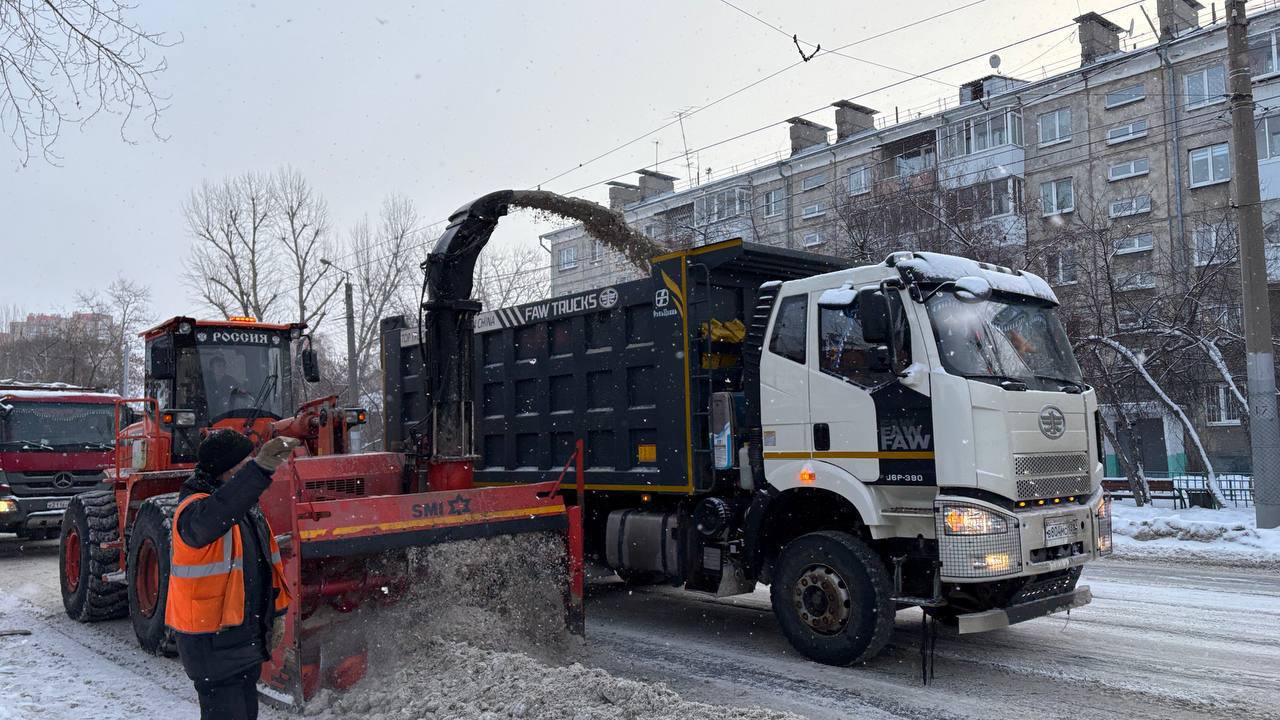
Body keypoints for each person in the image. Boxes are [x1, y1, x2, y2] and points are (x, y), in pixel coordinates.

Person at [165, 429, 299, 720]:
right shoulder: (194, 514)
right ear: (226, 470)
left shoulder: (246, 511)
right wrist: (260, 470)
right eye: (244, 464)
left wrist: (275, 614)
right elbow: (221, 510)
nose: (250, 467)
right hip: (212, 647)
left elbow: (265, 567)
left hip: (241, 644)